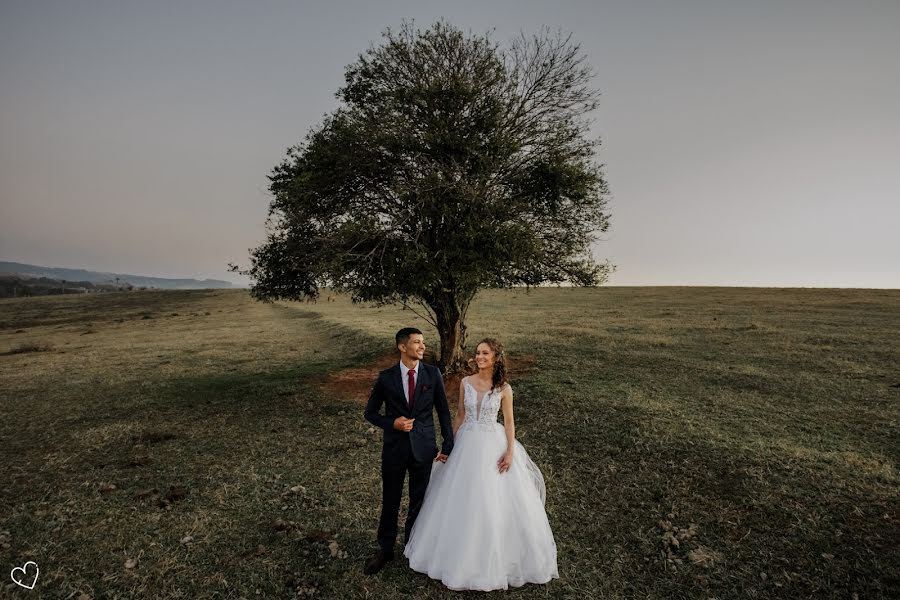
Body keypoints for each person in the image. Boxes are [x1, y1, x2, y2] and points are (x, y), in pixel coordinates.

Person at [404, 337, 559, 591]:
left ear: (496, 358)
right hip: (466, 442)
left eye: (485, 353)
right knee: (459, 495)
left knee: (490, 498)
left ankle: (495, 559)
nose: (480, 357)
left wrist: (510, 452)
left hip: (491, 444)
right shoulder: (465, 382)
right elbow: (460, 415)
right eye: (477, 353)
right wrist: (449, 445)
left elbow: (509, 423)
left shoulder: (504, 389)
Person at [363, 327, 455, 575]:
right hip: (394, 449)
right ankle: (385, 549)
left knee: (419, 500)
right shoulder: (386, 377)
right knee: (391, 499)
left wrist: (449, 441)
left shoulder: (432, 374)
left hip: (424, 448)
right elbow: (370, 413)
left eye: (423, 342)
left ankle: (413, 546)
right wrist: (392, 423)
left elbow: (443, 410)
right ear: (402, 347)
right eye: (417, 342)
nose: (422, 346)